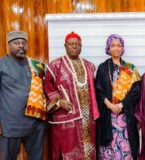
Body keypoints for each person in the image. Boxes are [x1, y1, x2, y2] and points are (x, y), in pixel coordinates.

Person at [0, 31, 46, 160]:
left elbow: (44, 90)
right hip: (9, 127)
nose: (21, 46)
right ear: (9, 45)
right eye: (16, 43)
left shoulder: (36, 65)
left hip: (35, 125)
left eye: (23, 43)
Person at [44, 31, 99, 160]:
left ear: (81, 46)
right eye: (71, 44)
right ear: (65, 46)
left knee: (88, 150)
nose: (74, 46)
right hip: (67, 117)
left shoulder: (89, 66)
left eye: (77, 44)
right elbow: (47, 87)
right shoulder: (55, 65)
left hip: (88, 118)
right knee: (68, 151)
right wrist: (59, 101)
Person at [95, 34, 141, 160]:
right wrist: (110, 105)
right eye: (113, 45)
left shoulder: (131, 68)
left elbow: (136, 91)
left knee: (126, 148)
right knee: (108, 150)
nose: (116, 48)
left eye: (119, 45)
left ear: (123, 47)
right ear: (108, 48)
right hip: (107, 116)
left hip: (125, 116)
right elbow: (98, 90)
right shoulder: (102, 68)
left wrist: (121, 105)